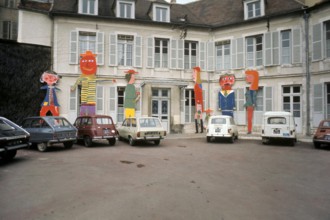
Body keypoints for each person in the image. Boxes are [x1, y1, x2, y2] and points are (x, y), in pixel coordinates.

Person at [244, 70, 259, 134]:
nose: (246, 78)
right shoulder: (250, 89)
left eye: (248, 76)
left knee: (249, 119)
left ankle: (249, 130)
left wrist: (253, 104)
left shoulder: (252, 89)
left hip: (250, 106)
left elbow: (253, 98)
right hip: (249, 106)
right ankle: (249, 130)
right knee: (249, 119)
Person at [193, 66, 204, 133]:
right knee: (196, 119)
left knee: (199, 119)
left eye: (194, 73)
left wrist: (198, 103)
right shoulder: (197, 84)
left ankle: (200, 130)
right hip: (197, 106)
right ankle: (198, 130)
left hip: (198, 107)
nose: (193, 75)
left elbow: (199, 95)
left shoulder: (198, 83)